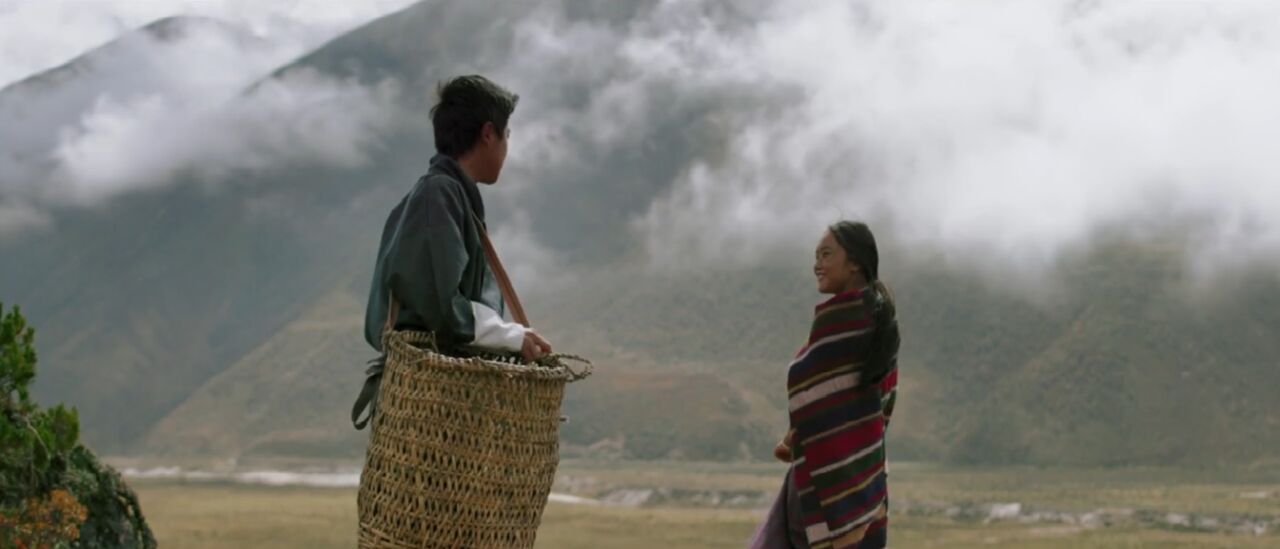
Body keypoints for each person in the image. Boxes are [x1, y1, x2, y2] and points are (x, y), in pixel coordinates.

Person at [351, 74, 552, 430]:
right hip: (429, 408)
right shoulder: (438, 195)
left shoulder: (449, 197)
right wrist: (511, 336)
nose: (507, 147)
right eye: (506, 135)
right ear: (488, 134)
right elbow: (438, 304)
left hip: (438, 402)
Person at [749, 221, 900, 549]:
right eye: (816, 256)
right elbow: (881, 409)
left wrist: (799, 436)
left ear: (854, 262)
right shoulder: (880, 328)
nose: (817, 264)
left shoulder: (844, 332)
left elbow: (811, 397)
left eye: (826, 254)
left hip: (820, 492)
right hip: (866, 487)